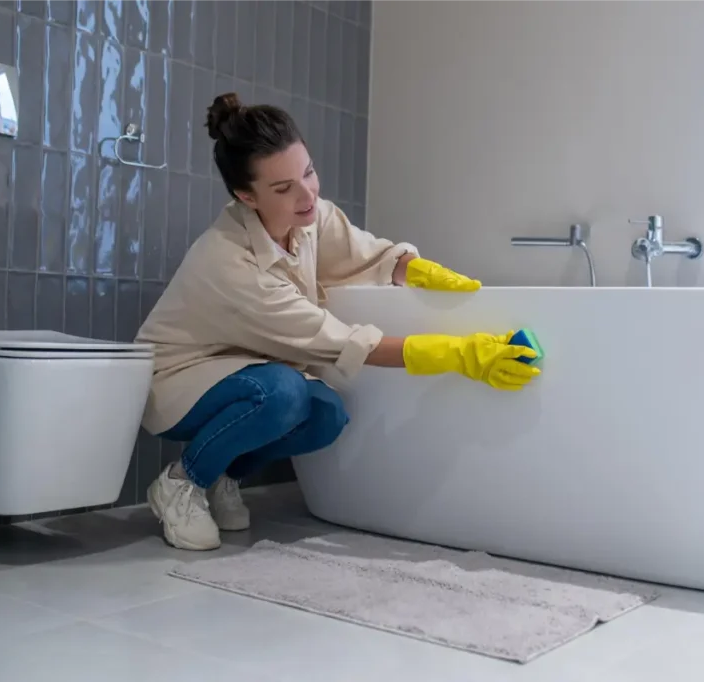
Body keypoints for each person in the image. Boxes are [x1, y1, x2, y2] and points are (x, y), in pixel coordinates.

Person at [135, 93, 540, 551]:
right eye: (284, 188)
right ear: (247, 197)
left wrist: (419, 270)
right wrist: (457, 352)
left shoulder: (310, 217)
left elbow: (365, 254)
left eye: (308, 172)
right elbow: (337, 340)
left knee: (326, 414)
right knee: (284, 393)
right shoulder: (230, 263)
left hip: (245, 371)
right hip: (178, 379)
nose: (307, 195)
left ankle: (225, 474)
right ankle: (181, 481)